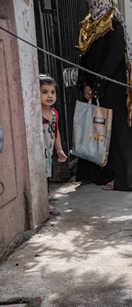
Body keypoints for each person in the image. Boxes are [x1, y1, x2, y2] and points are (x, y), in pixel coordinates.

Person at [75, 0, 132, 191]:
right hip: (93, 85)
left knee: (118, 131)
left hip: (113, 85)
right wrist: (85, 84)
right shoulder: (88, 23)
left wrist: (99, 84)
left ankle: (120, 179)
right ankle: (93, 175)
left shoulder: (114, 22)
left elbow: (115, 57)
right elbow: (84, 56)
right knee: (93, 127)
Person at [39, 74, 68, 216]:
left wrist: (59, 149)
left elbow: (55, 131)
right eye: (44, 92)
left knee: (47, 176)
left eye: (52, 92)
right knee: (41, 176)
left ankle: (46, 200)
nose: (49, 95)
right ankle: (44, 202)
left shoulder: (54, 113)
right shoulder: (36, 112)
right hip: (38, 153)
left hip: (49, 154)